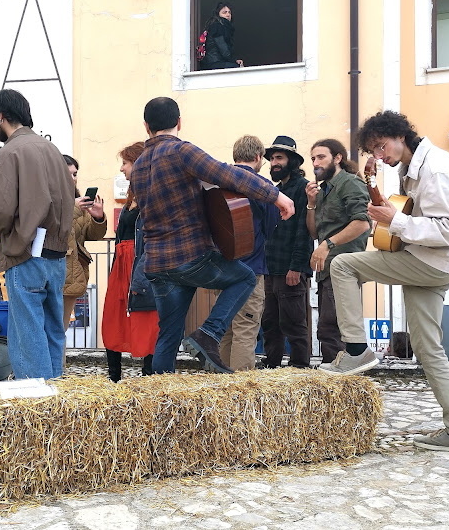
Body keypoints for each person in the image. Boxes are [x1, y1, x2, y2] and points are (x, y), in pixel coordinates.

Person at [328, 110, 449, 455]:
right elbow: (403, 213)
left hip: (432, 261)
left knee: (344, 265)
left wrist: (395, 221)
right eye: (373, 151)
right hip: (433, 263)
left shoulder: (436, 169)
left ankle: (355, 350)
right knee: (428, 348)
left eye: (381, 147)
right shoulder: (413, 169)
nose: (379, 156)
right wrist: (377, 195)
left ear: (400, 135)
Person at [129, 97, 295, 375]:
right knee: (244, 277)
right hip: (190, 257)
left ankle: (161, 403)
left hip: (156, 264)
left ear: (146, 127)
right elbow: (229, 175)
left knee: (168, 336)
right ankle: (209, 333)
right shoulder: (181, 152)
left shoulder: (139, 165)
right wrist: (276, 195)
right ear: (179, 122)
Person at [0, 89, 74, 380]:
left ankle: (36, 406)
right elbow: (68, 199)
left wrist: (3, 227)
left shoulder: (10, 151)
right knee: (52, 329)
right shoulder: (52, 150)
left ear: (0, 116)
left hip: (25, 252)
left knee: (28, 333)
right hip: (57, 253)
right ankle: (54, 403)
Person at [305, 139, 372, 363]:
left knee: (332, 329)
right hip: (327, 270)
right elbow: (315, 233)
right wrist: (311, 204)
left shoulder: (350, 183)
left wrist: (328, 245)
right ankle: (335, 378)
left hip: (344, 265)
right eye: (313, 158)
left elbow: (362, 223)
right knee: (328, 329)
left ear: (337, 158)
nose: (315, 162)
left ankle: (339, 382)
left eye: (321, 157)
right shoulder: (323, 190)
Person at [219, 135, 279, 371]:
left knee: (226, 330)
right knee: (246, 329)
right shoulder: (263, 186)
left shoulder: (220, 183)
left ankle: (222, 384)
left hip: (221, 269)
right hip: (251, 268)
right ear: (258, 157)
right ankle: (240, 392)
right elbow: (271, 227)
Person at [101, 143, 157, 382]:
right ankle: (114, 377)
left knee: (146, 321)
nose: (122, 168)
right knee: (112, 319)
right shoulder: (131, 199)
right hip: (121, 267)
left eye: (125, 163)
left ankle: (148, 378)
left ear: (138, 163)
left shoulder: (151, 196)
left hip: (139, 266)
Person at [261, 136, 314, 369]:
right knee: (270, 322)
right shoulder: (276, 190)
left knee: (294, 322)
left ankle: (300, 367)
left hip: (291, 268)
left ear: (291, 160)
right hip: (272, 268)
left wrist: (296, 266)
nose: (274, 163)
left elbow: (304, 230)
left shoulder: (303, 188)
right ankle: (272, 366)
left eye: (279, 158)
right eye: (272, 159)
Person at [61, 154, 107, 368]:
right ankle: (51, 372)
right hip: (53, 269)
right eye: (69, 174)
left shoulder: (78, 202)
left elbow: (92, 234)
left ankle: (56, 372)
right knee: (51, 328)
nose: (74, 178)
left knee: (59, 329)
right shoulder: (50, 199)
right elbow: (54, 224)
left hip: (72, 273)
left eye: (75, 174)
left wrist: (98, 217)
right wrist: (75, 207)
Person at [200, 2, 244, 70]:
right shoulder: (217, 27)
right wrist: (233, 61)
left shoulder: (223, 27)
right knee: (238, 69)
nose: (228, 14)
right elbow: (223, 49)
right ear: (218, 14)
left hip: (216, 62)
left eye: (229, 12)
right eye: (224, 12)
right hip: (214, 63)